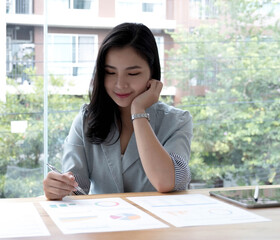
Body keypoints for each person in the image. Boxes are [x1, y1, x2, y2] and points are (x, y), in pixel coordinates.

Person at [43, 22, 193, 200]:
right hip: (105, 223)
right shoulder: (86, 119)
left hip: (159, 225)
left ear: (152, 73)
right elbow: (76, 187)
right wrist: (57, 187)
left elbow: (166, 181)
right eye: (110, 72)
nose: (120, 84)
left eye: (133, 74)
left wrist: (138, 111)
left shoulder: (177, 121)